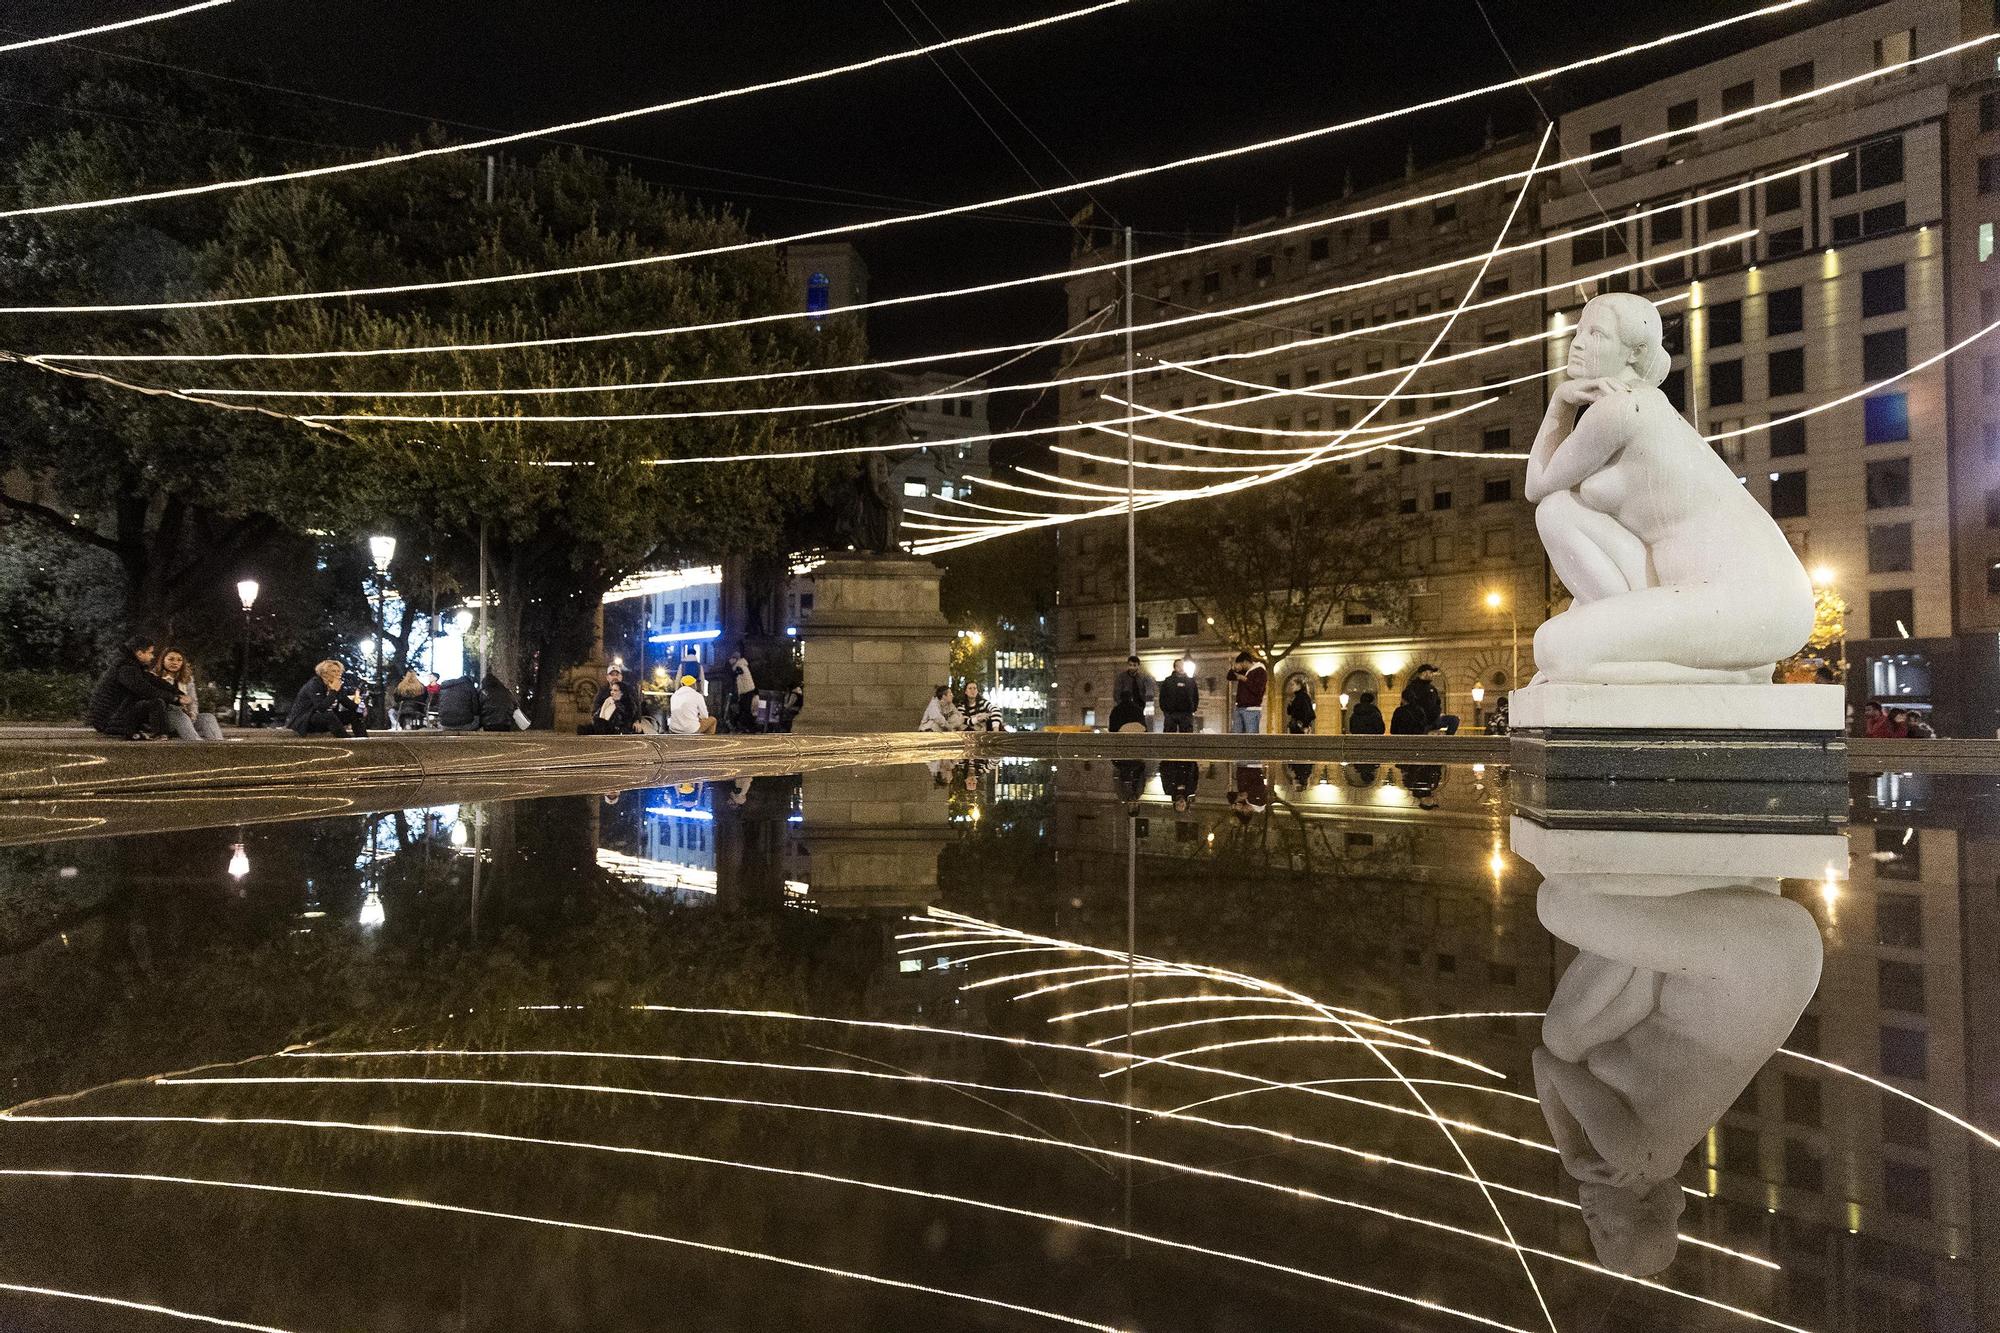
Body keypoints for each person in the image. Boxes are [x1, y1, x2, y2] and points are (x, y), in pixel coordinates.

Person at [84, 635, 182, 740]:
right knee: (156, 702)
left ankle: (158, 734)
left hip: (115, 716)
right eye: (150, 652)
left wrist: (179, 693)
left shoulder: (131, 666)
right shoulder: (126, 669)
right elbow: (145, 690)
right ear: (139, 653)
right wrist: (175, 698)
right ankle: (161, 735)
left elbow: (154, 681)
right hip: (108, 721)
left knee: (155, 702)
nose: (153, 656)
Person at [153, 647, 226, 741]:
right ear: (163, 660)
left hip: (187, 718)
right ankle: (196, 746)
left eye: (179, 660)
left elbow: (193, 700)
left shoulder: (187, 679)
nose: (175, 663)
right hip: (166, 719)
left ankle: (219, 747)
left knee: (208, 717)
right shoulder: (155, 677)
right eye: (171, 659)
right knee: (177, 712)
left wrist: (192, 714)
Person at [285, 660, 368, 738]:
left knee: (355, 714)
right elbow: (321, 707)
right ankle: (346, 740)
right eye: (334, 671)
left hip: (326, 720)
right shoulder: (314, 684)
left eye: (339, 671)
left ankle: (364, 740)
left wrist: (360, 709)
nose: (338, 674)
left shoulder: (337, 685)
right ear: (324, 673)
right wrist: (333, 691)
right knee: (328, 714)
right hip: (305, 721)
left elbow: (346, 702)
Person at [583, 665, 640, 735]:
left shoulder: (629, 690)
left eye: (617, 674)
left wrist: (636, 721)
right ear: (607, 677)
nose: (615, 677)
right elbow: (596, 709)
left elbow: (636, 707)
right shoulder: (602, 692)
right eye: (612, 675)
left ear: (621, 677)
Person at [1406, 663, 1460, 735]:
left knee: (1454, 720)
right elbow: (1410, 704)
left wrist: (1437, 712)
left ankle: (1447, 739)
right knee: (1422, 732)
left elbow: (1438, 702)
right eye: (1431, 672)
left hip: (1435, 719)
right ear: (1424, 673)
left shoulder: (1432, 688)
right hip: (1422, 722)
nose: (1432, 675)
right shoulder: (1413, 687)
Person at [1110, 655, 1155, 732]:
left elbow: (1148, 692)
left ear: (1138, 666)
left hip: (1140, 706)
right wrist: (1123, 705)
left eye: (1134, 665)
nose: (1132, 667)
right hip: (1126, 707)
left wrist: (1146, 705)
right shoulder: (1121, 677)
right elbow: (1117, 693)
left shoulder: (1144, 677)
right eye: (1130, 665)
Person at [1226, 651, 1267, 734]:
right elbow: (1229, 677)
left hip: (1251, 710)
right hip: (1239, 708)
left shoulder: (1260, 671)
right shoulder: (1244, 671)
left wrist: (1245, 680)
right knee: (1236, 737)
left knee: (1250, 738)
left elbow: (1258, 690)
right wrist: (1234, 668)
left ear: (1245, 662)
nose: (1239, 667)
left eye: (1239, 664)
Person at [1158, 664, 1199, 734]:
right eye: (1178, 666)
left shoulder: (1191, 682)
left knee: (1187, 737)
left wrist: (1193, 708)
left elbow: (1195, 696)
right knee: (1169, 736)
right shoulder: (1168, 681)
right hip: (1171, 713)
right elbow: (1162, 696)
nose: (1181, 668)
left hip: (1186, 713)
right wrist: (1165, 710)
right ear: (1174, 668)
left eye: (1182, 666)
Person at [727, 649, 758, 732]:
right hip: (746, 691)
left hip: (746, 691)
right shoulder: (741, 664)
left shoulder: (739, 665)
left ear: (735, 659)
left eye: (731, 658)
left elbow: (740, 672)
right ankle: (747, 727)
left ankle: (751, 727)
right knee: (743, 709)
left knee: (745, 709)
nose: (730, 660)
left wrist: (736, 673)